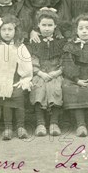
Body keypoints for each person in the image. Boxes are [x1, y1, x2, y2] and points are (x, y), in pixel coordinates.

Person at [0, 15, 33, 140]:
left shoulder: (20, 46)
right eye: (4, 30)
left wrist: (25, 79)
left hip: (17, 80)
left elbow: (27, 64)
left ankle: (20, 127)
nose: (7, 33)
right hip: (3, 81)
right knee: (6, 103)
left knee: (19, 102)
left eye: (10, 30)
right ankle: (8, 127)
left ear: (15, 31)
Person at [26, 8, 65, 137]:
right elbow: (32, 60)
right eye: (44, 25)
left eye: (50, 25)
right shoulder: (34, 42)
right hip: (39, 74)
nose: (47, 28)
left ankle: (54, 123)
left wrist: (58, 72)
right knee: (39, 89)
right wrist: (40, 73)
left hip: (56, 73)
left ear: (55, 26)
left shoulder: (61, 42)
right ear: (38, 25)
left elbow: (64, 60)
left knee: (55, 88)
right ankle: (40, 123)